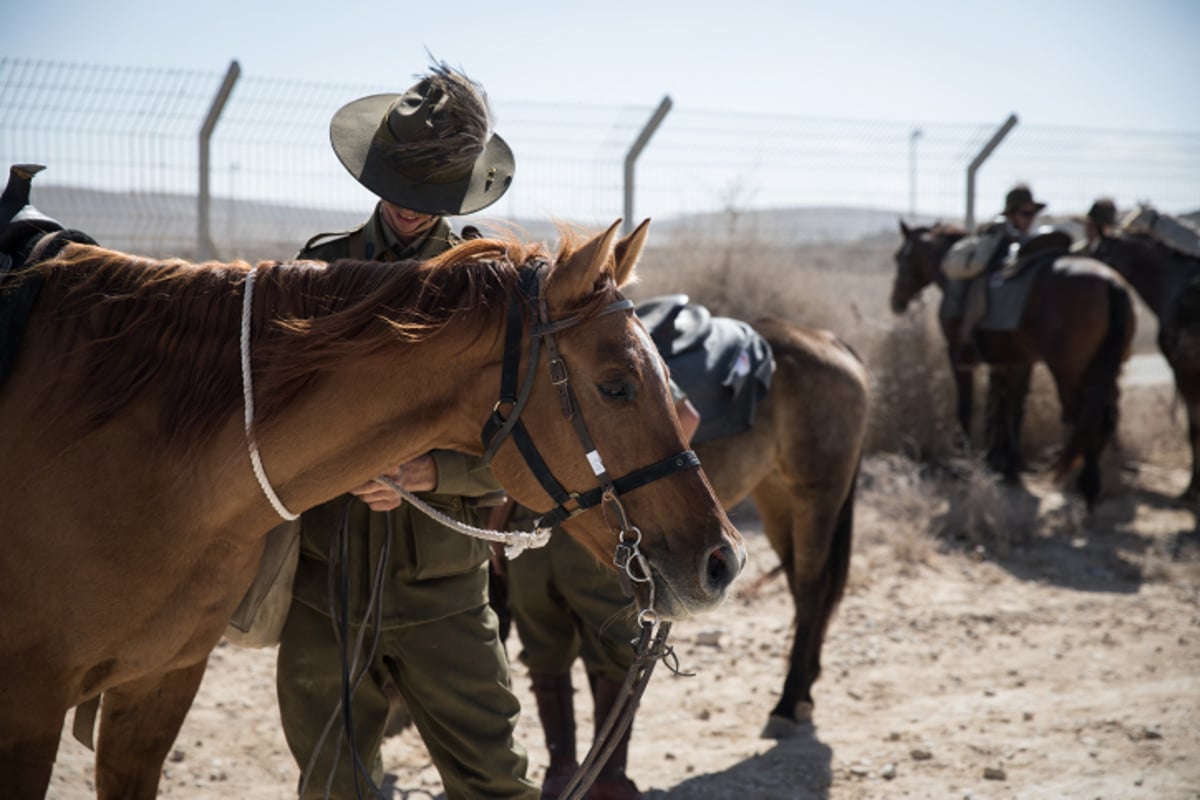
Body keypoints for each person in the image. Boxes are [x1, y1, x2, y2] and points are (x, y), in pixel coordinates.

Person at [273, 63, 539, 800]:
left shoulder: (492, 290)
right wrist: (335, 464)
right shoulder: (318, 272)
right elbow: (273, 429)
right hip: (326, 588)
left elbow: (527, 450)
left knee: (494, 783)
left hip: (444, 594)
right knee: (333, 786)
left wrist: (436, 475)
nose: (411, 211)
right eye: (400, 190)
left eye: (432, 199)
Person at [489, 391, 700, 800]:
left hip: (533, 527)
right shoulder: (607, 352)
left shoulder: (522, 356)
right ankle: (607, 776)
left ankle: (560, 772)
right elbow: (686, 417)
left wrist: (498, 530)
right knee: (616, 651)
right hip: (596, 531)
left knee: (543, 649)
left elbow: (512, 459)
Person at [954, 183, 1046, 366]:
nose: (1030, 219)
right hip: (996, 274)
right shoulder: (996, 235)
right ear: (1011, 214)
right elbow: (980, 264)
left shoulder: (1033, 238)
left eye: (1032, 213)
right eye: (1025, 213)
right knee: (980, 285)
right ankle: (967, 338)